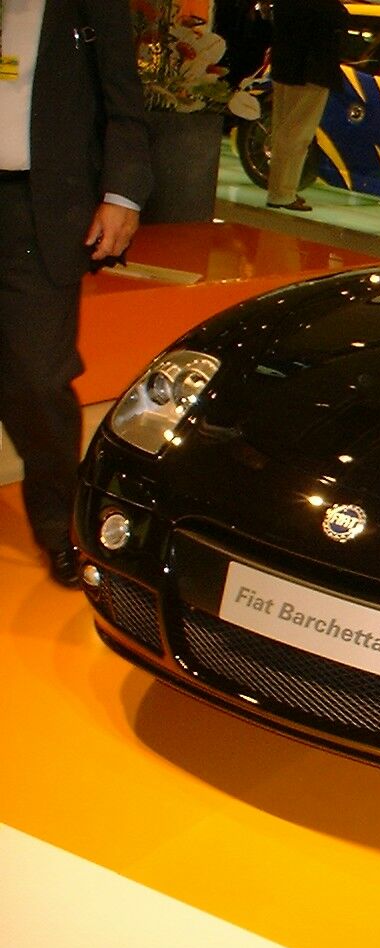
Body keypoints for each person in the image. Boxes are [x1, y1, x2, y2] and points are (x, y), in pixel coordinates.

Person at [0, 0, 152, 587]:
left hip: (38, 210)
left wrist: (123, 194)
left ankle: (59, 522)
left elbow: (125, 107)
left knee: (37, 377)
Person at [266, 0, 349, 212]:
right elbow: (335, 19)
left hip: (287, 68)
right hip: (309, 72)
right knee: (297, 134)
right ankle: (282, 193)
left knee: (284, 131)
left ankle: (282, 190)